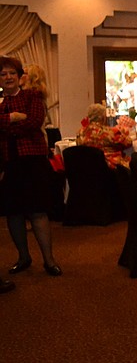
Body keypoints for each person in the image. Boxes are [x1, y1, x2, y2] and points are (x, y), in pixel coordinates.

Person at [0, 56, 62, 277]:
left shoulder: (32, 96)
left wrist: (6, 125)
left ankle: (49, 260)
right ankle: (23, 257)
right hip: (10, 164)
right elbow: (21, 126)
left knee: (38, 211)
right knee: (13, 213)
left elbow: (34, 123)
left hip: (33, 162)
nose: (7, 77)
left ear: (19, 77)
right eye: (3, 74)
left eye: (11, 73)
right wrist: (14, 118)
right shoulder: (0, 103)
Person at [76, 104, 133, 170]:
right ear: (103, 117)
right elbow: (128, 142)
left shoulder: (80, 132)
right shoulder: (108, 132)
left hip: (87, 168)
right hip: (110, 168)